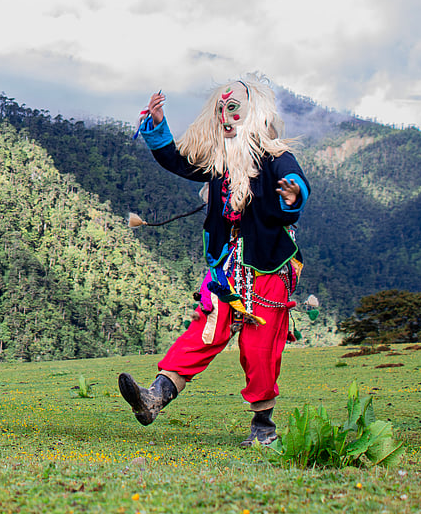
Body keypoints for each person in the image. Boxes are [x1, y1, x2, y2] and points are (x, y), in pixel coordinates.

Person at [118, 77, 310, 447]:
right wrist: (158, 126)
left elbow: (294, 183)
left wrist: (292, 193)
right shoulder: (220, 161)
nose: (226, 116)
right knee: (205, 332)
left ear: (252, 112)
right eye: (221, 108)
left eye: (234, 108)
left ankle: (263, 428)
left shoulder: (275, 157)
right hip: (227, 267)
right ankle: (153, 398)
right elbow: (178, 161)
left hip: (269, 268)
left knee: (258, 347)